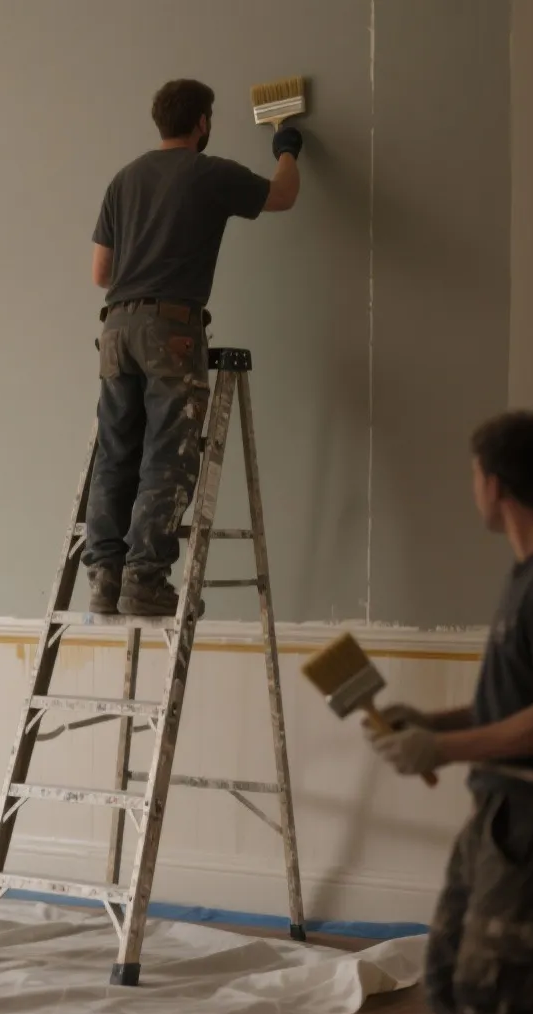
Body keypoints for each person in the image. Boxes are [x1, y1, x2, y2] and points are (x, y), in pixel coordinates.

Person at [367, 411, 533, 1014]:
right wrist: (433, 724)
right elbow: (527, 699)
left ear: (494, 485)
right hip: (501, 819)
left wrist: (448, 749)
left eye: (473, 475)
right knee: (452, 985)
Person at [84, 78, 303, 615]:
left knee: (116, 454)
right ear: (202, 121)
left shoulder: (123, 179)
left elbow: (100, 273)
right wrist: (287, 147)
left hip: (115, 329)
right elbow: (283, 195)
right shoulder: (208, 174)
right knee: (168, 454)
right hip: (171, 329)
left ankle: (105, 580)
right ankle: (146, 581)